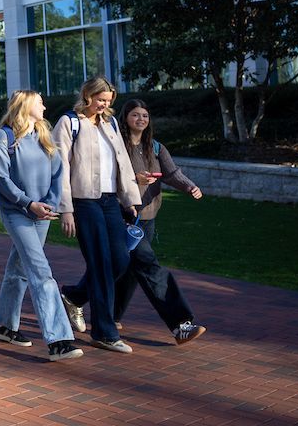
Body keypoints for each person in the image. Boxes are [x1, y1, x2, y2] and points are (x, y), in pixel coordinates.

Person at [0, 91, 84, 361]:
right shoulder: (3, 137)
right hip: (17, 213)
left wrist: (49, 205)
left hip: (42, 214)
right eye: (40, 101)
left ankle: (4, 325)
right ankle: (59, 340)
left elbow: (57, 173)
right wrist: (28, 203)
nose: (45, 105)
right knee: (41, 272)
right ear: (26, 105)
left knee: (19, 268)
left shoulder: (45, 136)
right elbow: (1, 179)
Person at [55, 76, 142, 353]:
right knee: (101, 264)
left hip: (110, 201)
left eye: (108, 101)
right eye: (101, 100)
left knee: (120, 259)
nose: (105, 105)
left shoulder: (111, 123)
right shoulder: (70, 122)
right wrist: (66, 209)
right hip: (84, 203)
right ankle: (104, 332)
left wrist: (130, 199)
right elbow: (60, 169)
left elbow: (123, 163)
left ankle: (74, 295)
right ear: (88, 96)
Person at [111, 99, 206, 344]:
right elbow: (110, 177)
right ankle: (180, 324)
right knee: (150, 267)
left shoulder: (155, 148)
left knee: (128, 270)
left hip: (148, 218)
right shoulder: (117, 146)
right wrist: (135, 180)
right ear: (125, 118)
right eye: (135, 115)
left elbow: (172, 173)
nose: (141, 119)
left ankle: (87, 303)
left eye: (145, 115)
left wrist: (189, 187)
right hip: (125, 217)